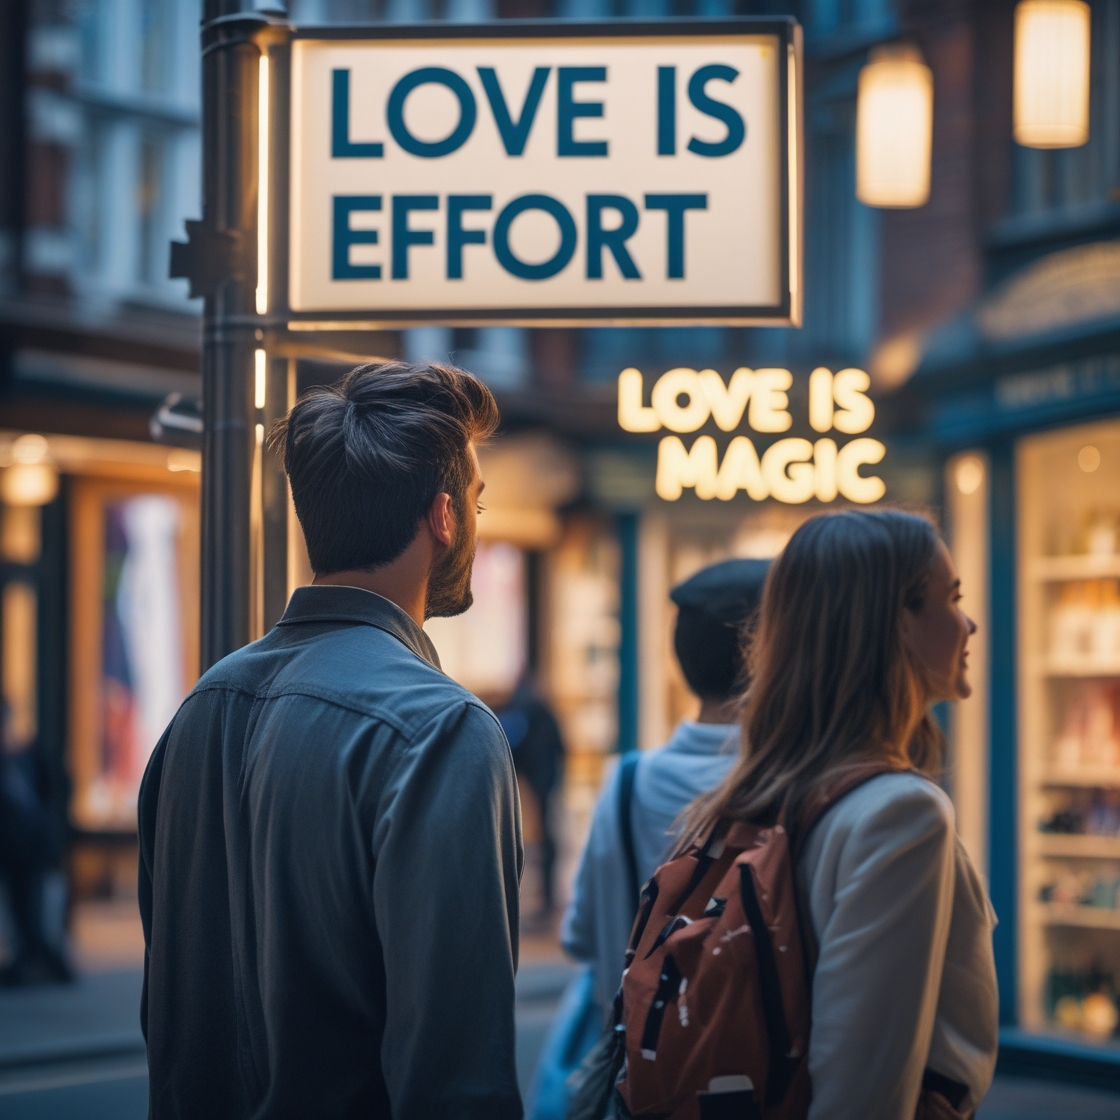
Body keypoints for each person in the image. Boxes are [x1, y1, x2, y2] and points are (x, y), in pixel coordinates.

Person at [138, 362, 523, 1120]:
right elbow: (458, 1074)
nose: (477, 521)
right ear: (444, 516)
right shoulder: (440, 730)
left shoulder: (200, 708)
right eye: (477, 501)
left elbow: (170, 1012)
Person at [679, 510, 998, 1119]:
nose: (969, 622)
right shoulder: (902, 814)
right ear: (897, 622)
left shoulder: (756, 796)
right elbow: (863, 1090)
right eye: (951, 598)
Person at [528, 558, 769, 1120]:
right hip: (751, 1081)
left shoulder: (627, 781)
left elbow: (581, 934)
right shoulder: (791, 787)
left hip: (638, 1077)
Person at [495, 677, 565, 923]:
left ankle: (542, 897)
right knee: (546, 838)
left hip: (536, 781)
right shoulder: (542, 714)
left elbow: (512, 748)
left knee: (536, 838)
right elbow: (560, 748)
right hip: (545, 782)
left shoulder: (522, 713)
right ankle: (546, 896)